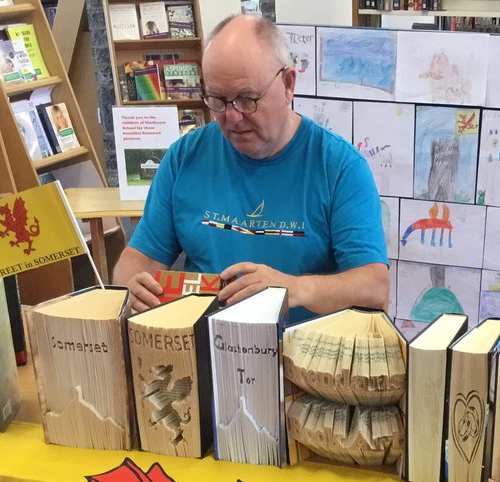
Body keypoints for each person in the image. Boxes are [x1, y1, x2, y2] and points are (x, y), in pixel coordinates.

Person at [115, 15, 388, 322]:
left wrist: (294, 289)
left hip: (298, 347)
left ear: (288, 84)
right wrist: (132, 288)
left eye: (247, 99)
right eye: (217, 100)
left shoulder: (339, 167)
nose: (232, 117)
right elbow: (139, 259)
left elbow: (374, 287)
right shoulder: (184, 157)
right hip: (203, 341)